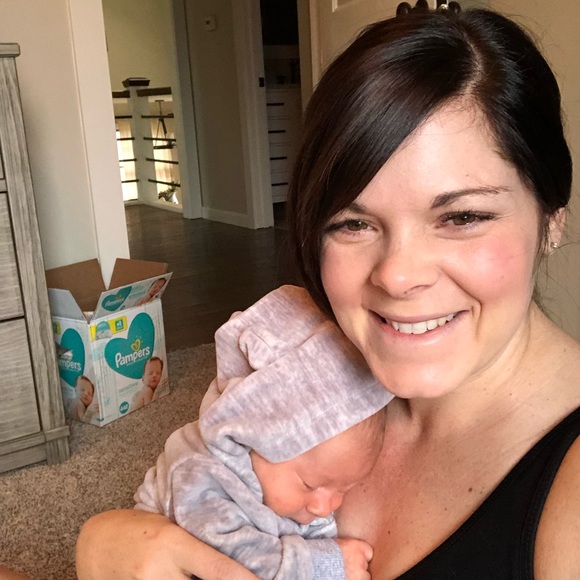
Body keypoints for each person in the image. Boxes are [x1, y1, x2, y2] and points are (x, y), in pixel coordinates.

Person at [76, 6, 580, 579]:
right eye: (353, 223)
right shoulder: (306, 369)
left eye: (462, 216)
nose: (397, 276)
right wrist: (107, 538)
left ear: (552, 217)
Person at [135, 285, 393, 579]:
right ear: (254, 437)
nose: (325, 507)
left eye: (344, 490)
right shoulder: (203, 473)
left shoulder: (291, 476)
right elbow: (227, 558)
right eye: (309, 485)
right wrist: (326, 563)